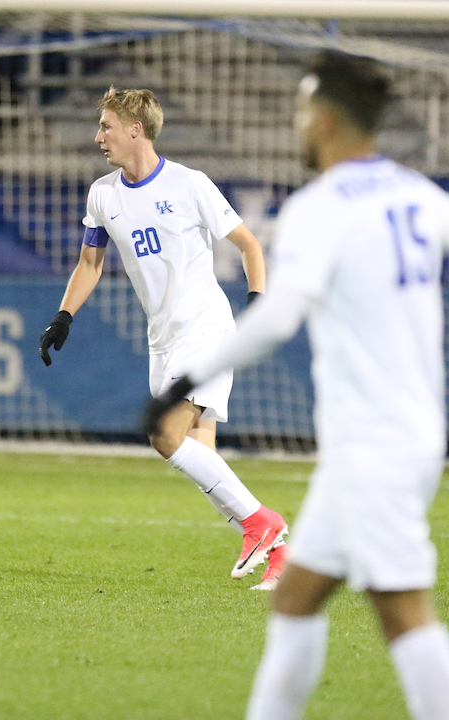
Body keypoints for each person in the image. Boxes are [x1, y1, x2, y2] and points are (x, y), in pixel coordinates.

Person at [144, 52, 449, 720]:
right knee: (296, 602)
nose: (297, 126)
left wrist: (185, 385)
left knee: (406, 616)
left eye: (300, 112)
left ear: (322, 118)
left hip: (376, 450)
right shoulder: (411, 190)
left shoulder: (320, 209)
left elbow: (279, 317)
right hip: (390, 444)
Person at [40, 87, 289, 590]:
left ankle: (263, 523)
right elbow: (90, 263)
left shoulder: (189, 184)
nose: (98, 137)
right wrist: (64, 316)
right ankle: (280, 556)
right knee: (200, 451)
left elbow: (248, 245)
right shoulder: (103, 195)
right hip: (164, 339)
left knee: (164, 435)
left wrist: (257, 300)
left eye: (106, 126)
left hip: (207, 327)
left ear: (136, 130)